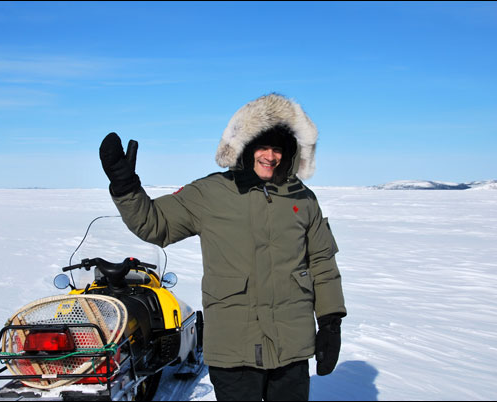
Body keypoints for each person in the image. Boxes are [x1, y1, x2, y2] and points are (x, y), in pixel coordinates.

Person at [99, 93, 347, 401]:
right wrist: (125, 186)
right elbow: (154, 223)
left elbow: (323, 263)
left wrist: (330, 322)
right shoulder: (210, 193)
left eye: (278, 148)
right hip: (234, 350)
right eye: (262, 147)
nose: (270, 156)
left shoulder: (303, 198)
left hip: (291, 349)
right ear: (245, 147)